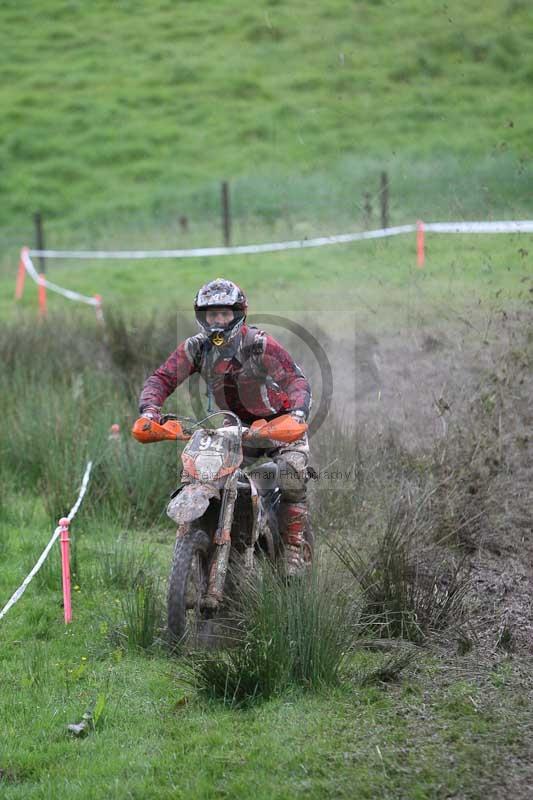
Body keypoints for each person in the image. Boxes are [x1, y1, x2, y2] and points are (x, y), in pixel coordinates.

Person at [139, 278, 312, 576]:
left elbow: (295, 380)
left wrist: (297, 413)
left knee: (291, 472)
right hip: (238, 430)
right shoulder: (197, 348)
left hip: (281, 425)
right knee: (209, 474)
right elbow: (161, 379)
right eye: (212, 315)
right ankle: (219, 540)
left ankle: (294, 549)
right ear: (202, 317)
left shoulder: (259, 344)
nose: (218, 321)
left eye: (224, 314)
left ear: (238, 313)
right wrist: (150, 411)